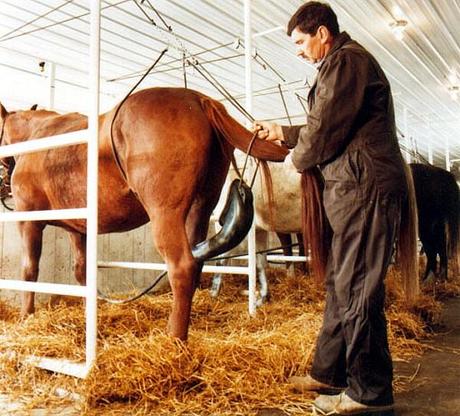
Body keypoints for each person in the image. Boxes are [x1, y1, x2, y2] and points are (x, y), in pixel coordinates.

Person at [253, 2, 408, 415]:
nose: (299, 51)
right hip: (353, 190)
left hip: (364, 189)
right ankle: (330, 371)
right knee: (342, 283)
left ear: (322, 33)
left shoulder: (347, 62)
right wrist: (284, 133)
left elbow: (324, 131)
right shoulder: (341, 66)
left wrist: (296, 158)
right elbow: (330, 120)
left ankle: (369, 393)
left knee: (358, 288)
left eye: (301, 42)